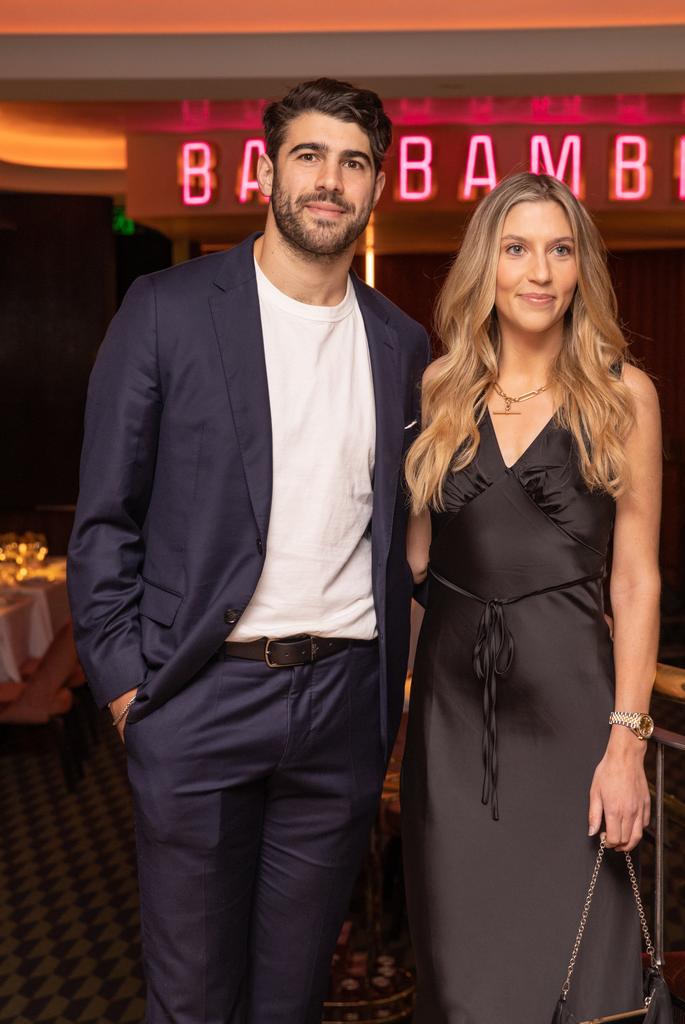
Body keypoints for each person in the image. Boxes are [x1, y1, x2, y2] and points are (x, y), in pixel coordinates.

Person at [67, 78, 430, 1024]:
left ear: (376, 186)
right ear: (267, 171)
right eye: (309, 155)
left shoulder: (400, 343)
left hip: (343, 705)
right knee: (190, 999)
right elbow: (106, 516)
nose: (330, 180)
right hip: (197, 699)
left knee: (291, 999)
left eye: (354, 162)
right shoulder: (169, 309)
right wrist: (124, 690)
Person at [401, 172, 662, 1021]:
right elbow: (414, 561)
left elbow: (635, 578)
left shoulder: (625, 395)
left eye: (560, 249)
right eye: (517, 249)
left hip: (573, 713)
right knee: (462, 969)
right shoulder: (440, 389)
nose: (539, 271)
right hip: (451, 721)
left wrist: (627, 743)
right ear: (488, 264)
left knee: (585, 971)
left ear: (583, 268)